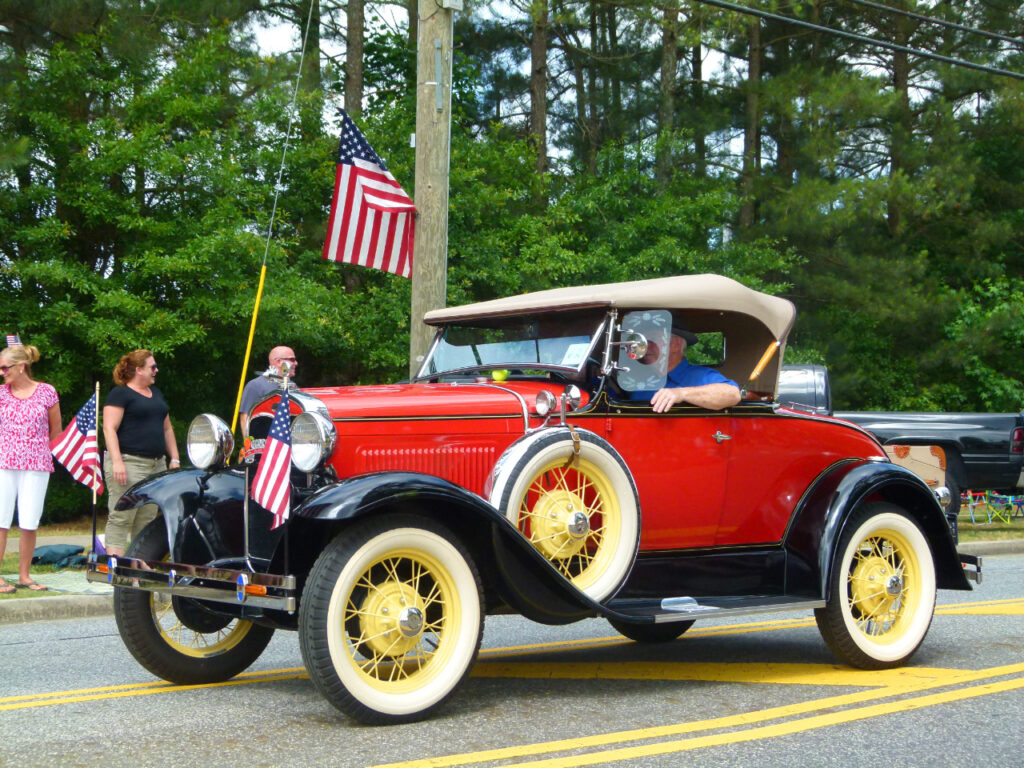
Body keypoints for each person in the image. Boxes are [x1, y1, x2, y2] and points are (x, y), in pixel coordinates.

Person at [102, 349, 180, 557]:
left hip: (156, 464)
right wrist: (117, 462)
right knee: (122, 516)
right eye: (152, 367)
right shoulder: (120, 393)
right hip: (129, 461)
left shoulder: (157, 394)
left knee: (146, 517)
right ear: (138, 370)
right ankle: (116, 569)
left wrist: (174, 457)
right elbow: (109, 428)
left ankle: (138, 568)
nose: (156, 371)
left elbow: (167, 428)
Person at [0, 341, 61, 592]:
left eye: (5, 368)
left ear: (21, 366)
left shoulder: (47, 392)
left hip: (37, 464)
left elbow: (56, 431)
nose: (2, 372)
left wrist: (46, 453)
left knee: (30, 520)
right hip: (3, 463)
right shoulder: (0, 394)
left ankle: (24, 575)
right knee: (1, 520)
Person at [633, 321, 741, 412]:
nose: (646, 346)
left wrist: (681, 393)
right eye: (643, 341)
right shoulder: (635, 379)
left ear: (676, 345)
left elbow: (733, 394)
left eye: (653, 339)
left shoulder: (698, 376)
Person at [239, 346, 297, 435]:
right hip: (265, 443)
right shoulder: (256, 385)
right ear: (279, 361)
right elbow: (245, 417)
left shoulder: (293, 386)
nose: (296, 363)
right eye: (292, 360)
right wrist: (248, 445)